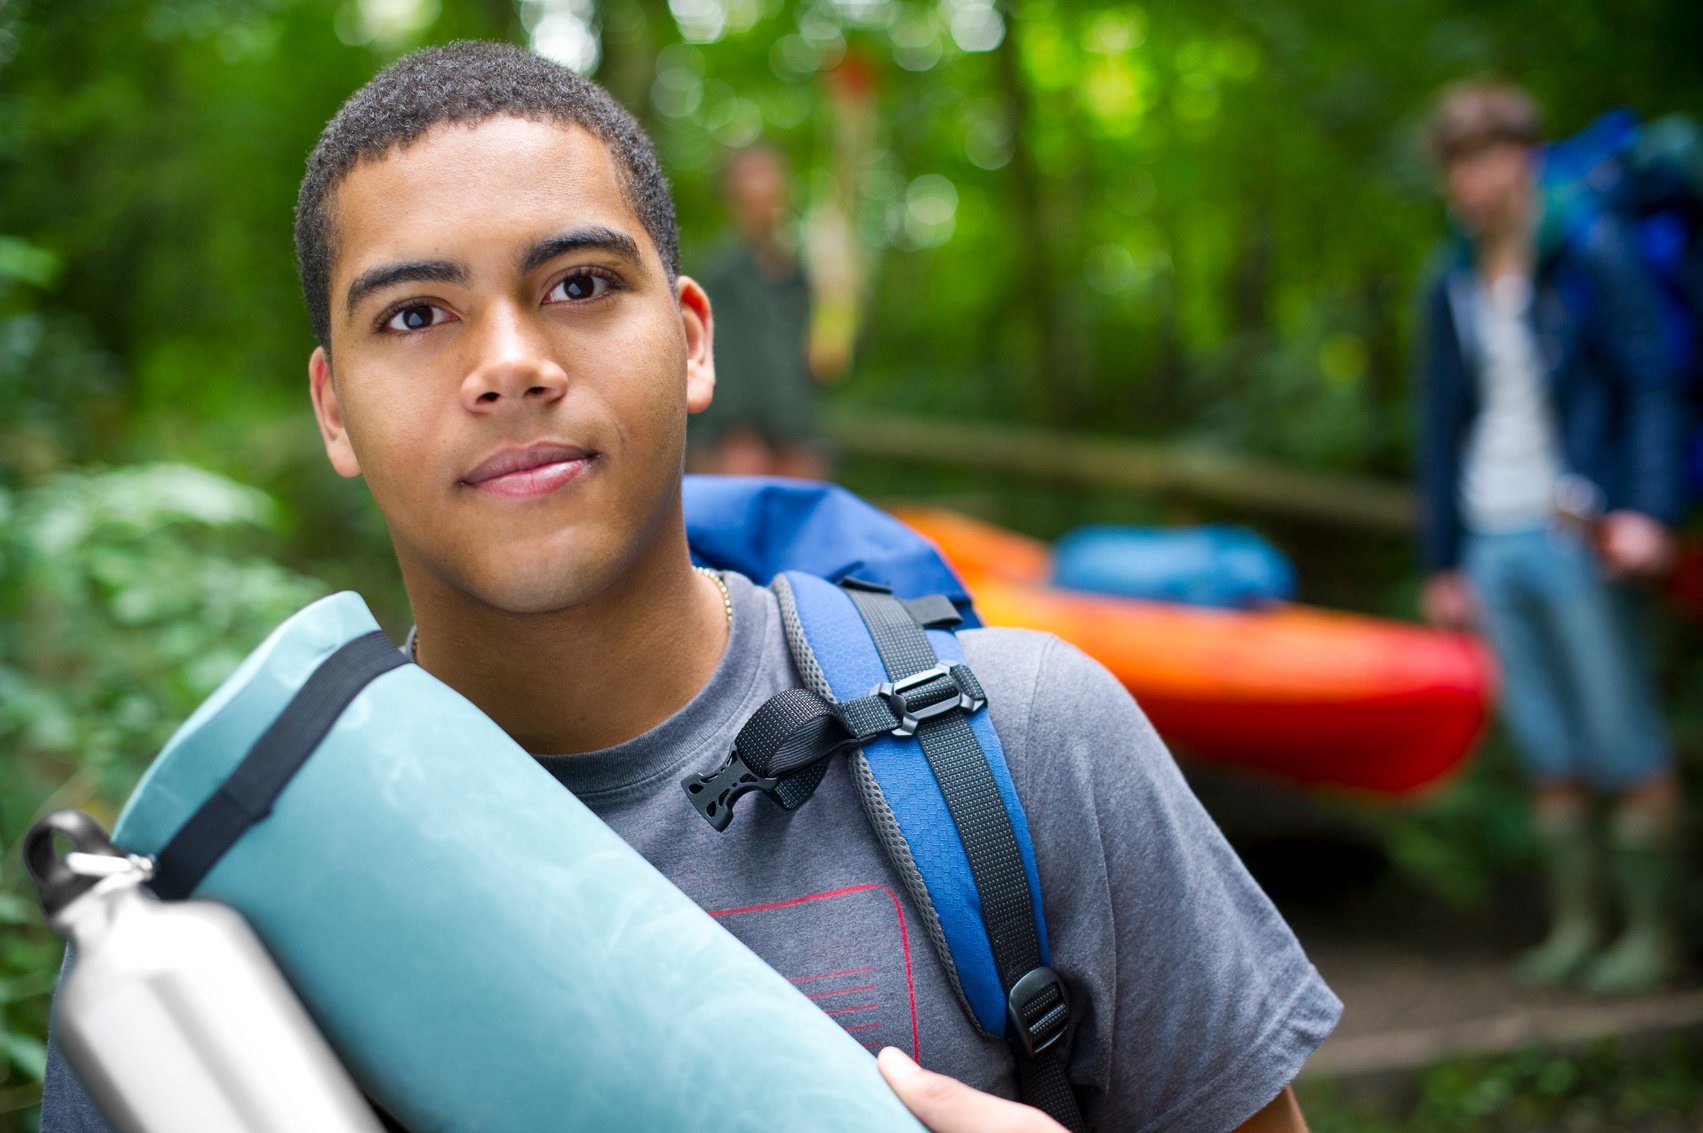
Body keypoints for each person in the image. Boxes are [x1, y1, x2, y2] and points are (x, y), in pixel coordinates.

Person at [40, 42, 1338, 1132]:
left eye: (580, 284)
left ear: (691, 337)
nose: (509, 362)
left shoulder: (1033, 742)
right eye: (416, 315)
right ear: (334, 407)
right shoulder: (207, 928)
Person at [1414, 81, 1688, 996]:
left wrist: (1647, 509)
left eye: (1486, 158)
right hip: (1488, 536)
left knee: (1622, 731)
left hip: (1579, 527)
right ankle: (1578, 926)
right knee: (1544, 741)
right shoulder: (1449, 277)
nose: (1471, 181)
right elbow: (1439, 420)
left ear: (1524, 157)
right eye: (1456, 164)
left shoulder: (1589, 248)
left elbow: (1651, 381)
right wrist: (1442, 559)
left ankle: (1651, 936)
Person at [686, 145, 834, 480]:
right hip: (735, 444)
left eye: (768, 177)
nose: (760, 190)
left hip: (796, 439)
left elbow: (825, 366)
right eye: (750, 178)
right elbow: (712, 359)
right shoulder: (717, 273)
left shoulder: (802, 277)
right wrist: (733, 439)